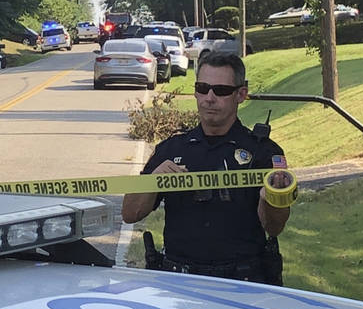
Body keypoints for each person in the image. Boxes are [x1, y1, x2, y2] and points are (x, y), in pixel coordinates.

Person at [122, 51, 292, 284]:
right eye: (202, 88)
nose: (209, 98)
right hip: (179, 279)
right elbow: (130, 214)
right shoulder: (172, 149)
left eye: (220, 91)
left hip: (243, 280)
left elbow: (274, 227)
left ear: (241, 94)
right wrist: (153, 179)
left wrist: (272, 199)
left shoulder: (263, 153)